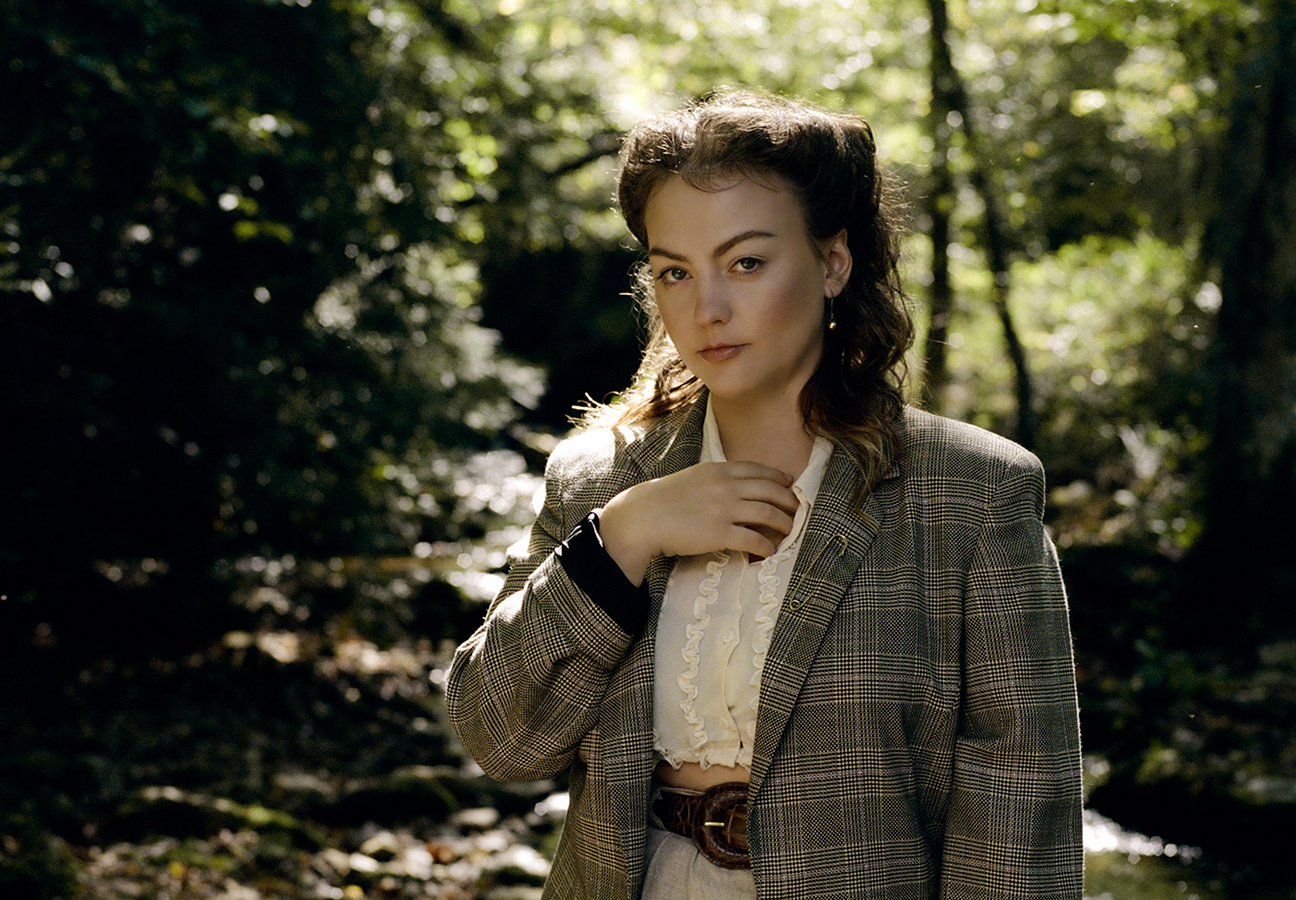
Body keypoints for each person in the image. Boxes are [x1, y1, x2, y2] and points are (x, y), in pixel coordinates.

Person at [444, 89, 1082, 899]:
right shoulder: (597, 481)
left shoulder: (973, 496)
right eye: (676, 271)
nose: (707, 308)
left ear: (832, 262)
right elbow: (501, 742)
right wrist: (625, 538)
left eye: (746, 262)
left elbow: (1022, 819)